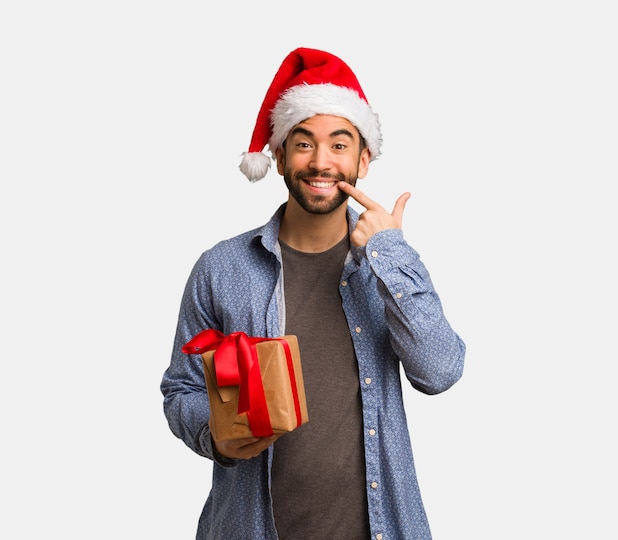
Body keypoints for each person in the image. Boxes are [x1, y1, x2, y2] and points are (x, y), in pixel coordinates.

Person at [161, 47, 466, 540]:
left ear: (363, 160)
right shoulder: (221, 267)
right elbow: (181, 390)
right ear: (279, 155)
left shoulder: (386, 268)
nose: (321, 162)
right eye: (303, 144)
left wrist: (390, 255)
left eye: (339, 145)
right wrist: (215, 433)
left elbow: (440, 370)